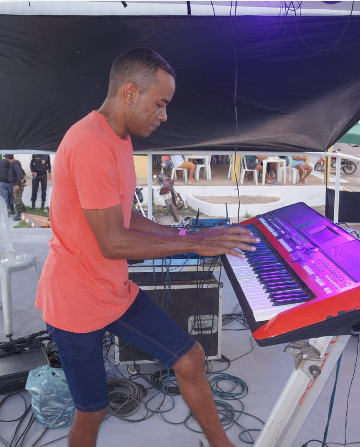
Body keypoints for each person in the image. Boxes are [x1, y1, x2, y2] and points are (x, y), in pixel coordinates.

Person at [35, 47, 258, 447]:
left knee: (189, 359)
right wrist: (197, 244)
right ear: (130, 93)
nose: (164, 115)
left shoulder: (119, 140)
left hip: (111, 291)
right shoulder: (89, 142)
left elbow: (125, 217)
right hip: (74, 302)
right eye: (161, 103)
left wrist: (185, 236)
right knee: (93, 410)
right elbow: (112, 241)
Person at [4, 154, 26, 221]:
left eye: (6, 158)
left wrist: (17, 184)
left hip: (18, 184)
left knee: (17, 199)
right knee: (17, 198)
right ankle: (24, 210)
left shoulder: (15, 164)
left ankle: (19, 213)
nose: (5, 159)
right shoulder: (14, 163)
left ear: (8, 158)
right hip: (17, 183)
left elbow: (19, 174)